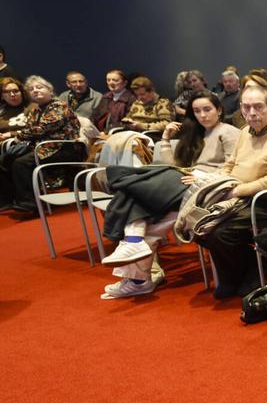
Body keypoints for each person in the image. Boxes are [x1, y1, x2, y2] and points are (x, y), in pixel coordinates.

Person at [97, 91, 239, 298]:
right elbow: (174, 166)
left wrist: (202, 176)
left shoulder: (229, 132)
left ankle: (137, 273)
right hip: (183, 185)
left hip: (207, 188)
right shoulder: (196, 134)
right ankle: (137, 267)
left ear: (219, 110)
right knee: (149, 223)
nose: (202, 115)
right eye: (197, 111)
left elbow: (233, 167)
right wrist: (165, 139)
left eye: (207, 109)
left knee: (136, 193)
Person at [195, 81, 267, 298]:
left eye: (258, 107)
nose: (251, 113)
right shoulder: (245, 131)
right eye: (246, 107)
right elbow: (231, 163)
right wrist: (215, 180)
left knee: (219, 231)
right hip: (238, 195)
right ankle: (238, 273)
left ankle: (252, 271)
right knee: (199, 225)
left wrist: (239, 190)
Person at [0, 75, 83, 214]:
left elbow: (42, 128)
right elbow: (28, 129)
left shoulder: (59, 106)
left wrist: (17, 137)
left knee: (21, 163)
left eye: (39, 87)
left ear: (50, 90)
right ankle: (9, 200)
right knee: (4, 160)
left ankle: (30, 203)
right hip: (43, 147)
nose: (35, 91)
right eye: (31, 89)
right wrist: (19, 136)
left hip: (63, 147)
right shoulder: (35, 110)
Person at [93, 69, 135, 134]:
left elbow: (129, 122)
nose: (111, 83)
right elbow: (95, 116)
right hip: (101, 132)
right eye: (108, 80)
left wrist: (107, 131)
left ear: (125, 83)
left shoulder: (131, 98)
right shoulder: (105, 97)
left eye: (115, 80)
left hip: (120, 133)